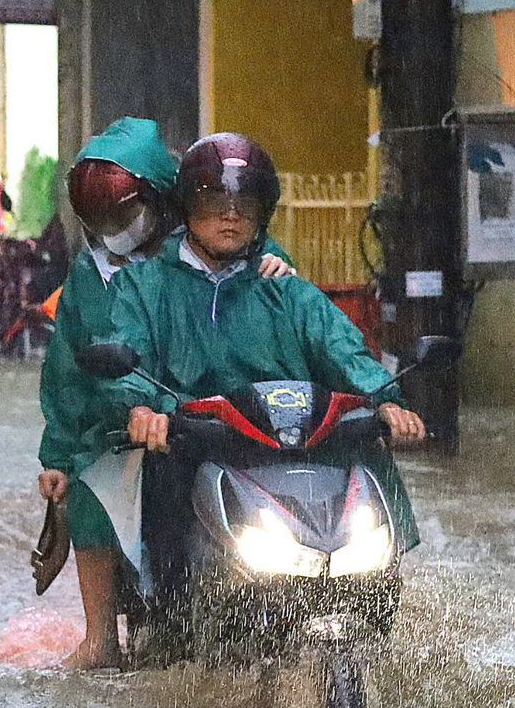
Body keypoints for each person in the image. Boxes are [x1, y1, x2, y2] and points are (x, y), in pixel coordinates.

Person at [98, 132, 427, 574]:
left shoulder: (285, 288)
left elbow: (343, 350)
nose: (230, 216)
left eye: (244, 205)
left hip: (291, 438)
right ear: (186, 210)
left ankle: (378, 586)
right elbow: (128, 356)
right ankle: (171, 618)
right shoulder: (143, 286)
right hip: (196, 440)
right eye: (213, 203)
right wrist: (141, 408)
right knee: (161, 479)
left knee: (366, 448)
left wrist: (386, 400)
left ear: (262, 215)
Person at [36, 118, 295, 670]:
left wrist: (275, 263)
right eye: (101, 218)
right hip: (126, 424)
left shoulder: (198, 246)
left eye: (125, 214)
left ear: (158, 198)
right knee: (88, 488)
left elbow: (249, 253)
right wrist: (57, 456)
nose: (116, 230)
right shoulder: (88, 275)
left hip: (216, 413)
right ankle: (102, 637)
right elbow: (65, 372)